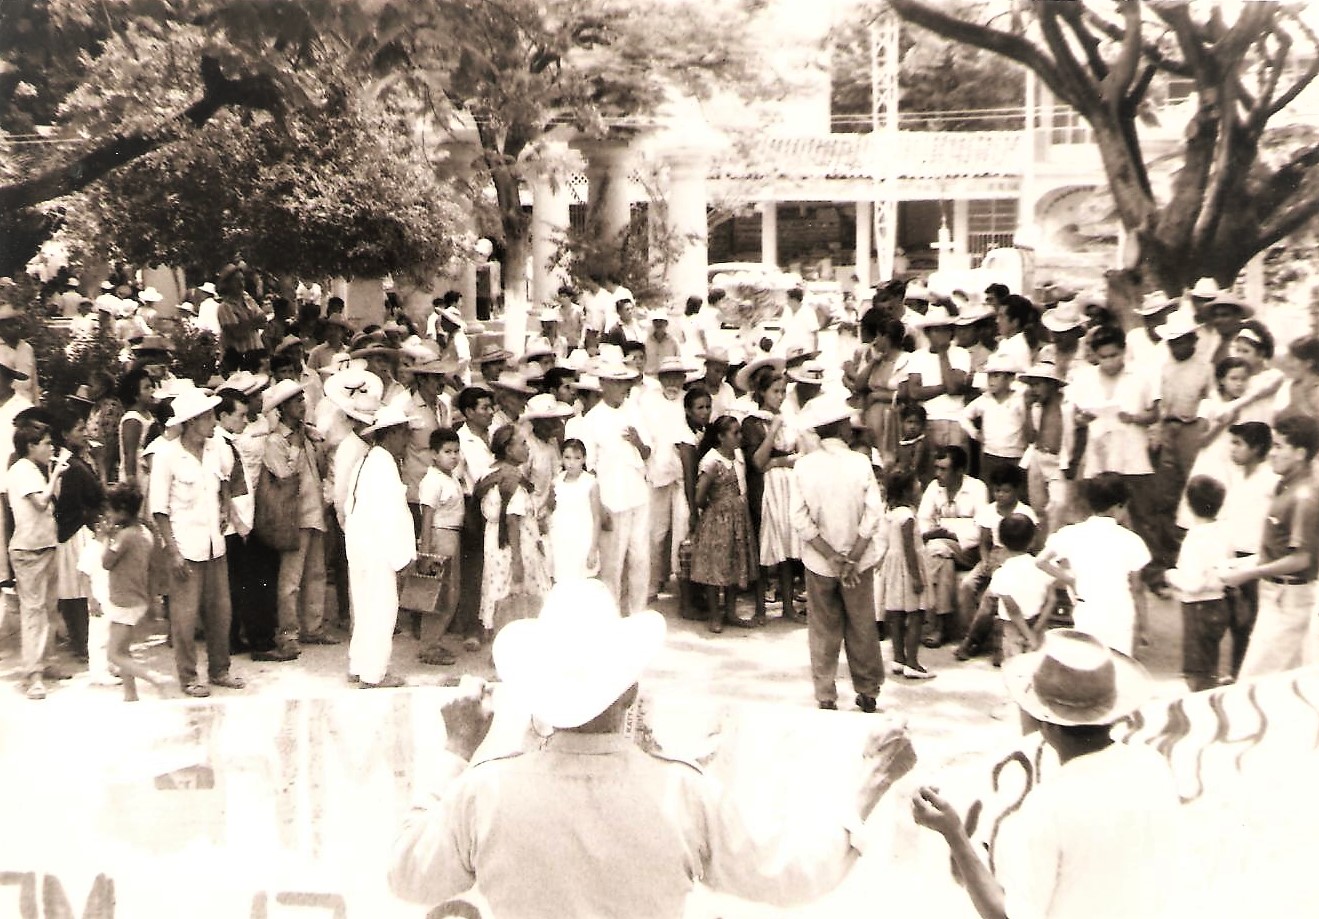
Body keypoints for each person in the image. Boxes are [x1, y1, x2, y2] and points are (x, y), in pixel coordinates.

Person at [390, 579, 916, 917]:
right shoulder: (681, 793)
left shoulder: (486, 793)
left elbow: (407, 876)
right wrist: (868, 784)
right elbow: (794, 875)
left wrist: (455, 751)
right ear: (631, 692)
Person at [912, 630, 1179, 919]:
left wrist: (954, 834)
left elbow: (1005, 916)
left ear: (1046, 724)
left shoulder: (1049, 805)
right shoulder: (1151, 766)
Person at [792, 397, 887, 712]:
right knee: (862, 623)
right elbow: (873, 513)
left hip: (821, 560)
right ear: (841, 427)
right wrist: (853, 556)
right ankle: (868, 690)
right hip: (858, 560)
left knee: (823, 627)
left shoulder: (804, 466)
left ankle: (825, 693)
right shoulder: (860, 463)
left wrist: (832, 556)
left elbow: (799, 519)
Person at [150, 388, 247, 698]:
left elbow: (224, 481)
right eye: (208, 417)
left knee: (220, 611)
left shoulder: (215, 449)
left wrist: (225, 507)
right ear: (192, 421)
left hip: (214, 544)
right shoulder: (167, 455)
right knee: (185, 617)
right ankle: (188, 676)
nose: (214, 423)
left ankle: (220, 669)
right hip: (185, 547)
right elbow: (159, 509)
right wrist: (173, 551)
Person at [1221, 414, 1319, 678]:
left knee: (1255, 680)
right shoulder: (1283, 486)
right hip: (1275, 595)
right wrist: (1244, 563)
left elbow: (1302, 559)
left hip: (1289, 599)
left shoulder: (1304, 497)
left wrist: (1248, 573)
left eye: (1279, 446)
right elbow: (1278, 547)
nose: (1272, 453)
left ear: (1300, 453)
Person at [1036, 473, 1151, 655]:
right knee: (1118, 663)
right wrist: (1144, 626)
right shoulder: (1132, 541)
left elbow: (1041, 561)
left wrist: (1070, 579)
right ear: (1118, 507)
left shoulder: (1071, 533)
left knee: (1088, 660)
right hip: (1120, 612)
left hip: (1087, 610)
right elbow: (1137, 589)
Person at [262, 379, 334, 659]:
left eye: (302, 399)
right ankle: (288, 633)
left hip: (315, 511)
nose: (302, 405)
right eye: (295, 401)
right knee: (291, 579)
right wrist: (295, 446)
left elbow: (322, 469)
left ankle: (313, 627)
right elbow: (283, 476)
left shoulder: (309, 435)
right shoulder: (275, 441)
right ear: (282, 408)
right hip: (293, 516)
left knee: (316, 573)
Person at [345, 402, 415, 688]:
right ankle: (374, 674)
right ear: (393, 433)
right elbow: (390, 516)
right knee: (381, 608)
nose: (408, 439)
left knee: (364, 607)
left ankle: (359, 665)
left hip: (362, 544)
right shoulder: (383, 465)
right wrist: (402, 557)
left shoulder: (367, 460)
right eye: (405, 432)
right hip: (378, 547)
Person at [577, 361, 653, 614]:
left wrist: (637, 441)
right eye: (616, 382)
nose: (622, 387)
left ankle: (638, 612)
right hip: (611, 498)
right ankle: (612, 615)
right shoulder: (592, 419)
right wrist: (599, 507)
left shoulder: (634, 410)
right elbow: (589, 469)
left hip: (637, 494)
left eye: (624, 382)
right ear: (603, 384)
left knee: (640, 557)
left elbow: (647, 452)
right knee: (612, 563)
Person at [9, 425, 70, 700]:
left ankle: (47, 663)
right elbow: (41, 503)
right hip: (28, 550)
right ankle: (33, 675)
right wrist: (55, 473)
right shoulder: (22, 470)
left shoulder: (36, 469)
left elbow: (53, 498)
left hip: (46, 545)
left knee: (49, 609)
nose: (50, 447)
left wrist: (54, 472)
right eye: (46, 443)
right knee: (34, 612)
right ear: (31, 446)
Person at [99, 483, 171, 701]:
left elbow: (106, 562)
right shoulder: (145, 533)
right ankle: (130, 695)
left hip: (124, 600)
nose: (108, 514)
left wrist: (106, 538)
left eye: (110, 509)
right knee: (123, 649)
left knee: (113, 654)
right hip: (137, 598)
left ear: (121, 510)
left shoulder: (125, 536)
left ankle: (153, 678)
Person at [478, 425, 551, 636]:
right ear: (509, 450)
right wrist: (517, 561)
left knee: (498, 587)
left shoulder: (490, 473)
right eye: (523, 444)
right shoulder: (512, 480)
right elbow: (512, 520)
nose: (528, 448)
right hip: (515, 545)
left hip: (495, 543)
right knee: (516, 591)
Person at [1165, 475, 1234, 692]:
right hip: (1219, 602)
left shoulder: (1195, 538)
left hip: (1198, 607)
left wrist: (1170, 575)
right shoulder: (1223, 532)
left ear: (1188, 504)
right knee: (1210, 660)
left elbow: (1193, 583)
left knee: (1197, 670)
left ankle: (1200, 701)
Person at [690, 415, 758, 632]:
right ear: (721, 437)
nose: (739, 436)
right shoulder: (712, 461)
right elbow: (699, 496)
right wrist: (717, 507)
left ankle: (730, 612)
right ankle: (714, 615)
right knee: (715, 567)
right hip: (718, 521)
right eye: (734, 433)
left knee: (734, 564)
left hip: (738, 518)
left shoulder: (737, 456)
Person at [916, 444, 989, 648]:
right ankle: (942, 624)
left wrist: (951, 534)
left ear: (959, 471)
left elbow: (981, 530)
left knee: (936, 548)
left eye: (943, 469)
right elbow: (923, 521)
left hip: (970, 550)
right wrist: (934, 534)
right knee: (941, 556)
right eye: (936, 468)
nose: (938, 474)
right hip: (942, 548)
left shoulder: (977, 488)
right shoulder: (934, 487)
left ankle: (933, 622)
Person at [52, 407, 104, 665]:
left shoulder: (73, 461)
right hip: (76, 530)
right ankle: (82, 643)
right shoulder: (70, 466)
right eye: (79, 429)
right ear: (65, 434)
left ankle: (81, 642)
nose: (85, 433)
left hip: (75, 529)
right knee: (79, 589)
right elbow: (84, 499)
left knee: (76, 589)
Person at [416, 427, 465, 666]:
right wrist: (426, 553)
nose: (453, 456)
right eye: (447, 451)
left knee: (450, 593)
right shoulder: (432, 480)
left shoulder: (451, 478)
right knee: (437, 593)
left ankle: (434, 641)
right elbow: (427, 517)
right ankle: (428, 646)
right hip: (439, 536)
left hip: (452, 536)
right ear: (434, 454)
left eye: (456, 451)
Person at [982, 514, 1056, 666]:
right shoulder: (1042, 567)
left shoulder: (1002, 573)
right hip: (1038, 624)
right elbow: (1052, 600)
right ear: (1033, 540)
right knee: (1036, 668)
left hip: (1013, 628)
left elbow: (1013, 610)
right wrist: (1035, 630)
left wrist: (1028, 635)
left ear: (1001, 540)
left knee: (1015, 668)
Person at [880, 469, 932, 680]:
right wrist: (915, 577)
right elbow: (908, 548)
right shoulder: (908, 516)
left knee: (896, 614)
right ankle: (912, 663)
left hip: (894, 567)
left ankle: (898, 659)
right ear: (906, 491)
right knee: (916, 614)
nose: (919, 486)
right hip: (907, 568)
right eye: (916, 484)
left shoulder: (891, 512)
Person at [901, 304, 971, 450]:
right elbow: (914, 392)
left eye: (945, 329)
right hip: (928, 419)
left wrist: (943, 353)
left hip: (956, 419)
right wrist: (945, 387)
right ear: (928, 333)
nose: (942, 334)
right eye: (937, 330)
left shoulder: (961, 353)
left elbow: (953, 388)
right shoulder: (917, 356)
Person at [960, 353, 1029, 484]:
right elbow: (964, 416)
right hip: (990, 455)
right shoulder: (984, 400)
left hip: (1014, 455)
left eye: (996, 376)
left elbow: (1028, 424)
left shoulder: (1019, 400)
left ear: (1010, 378)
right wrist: (975, 434)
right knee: (989, 487)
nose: (991, 381)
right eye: (989, 376)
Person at [549, 438, 602, 582]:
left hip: (583, 539)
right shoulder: (556, 481)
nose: (571, 463)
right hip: (561, 538)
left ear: (584, 459)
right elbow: (551, 509)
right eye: (567, 458)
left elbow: (597, 517)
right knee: (563, 580)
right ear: (562, 458)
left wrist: (593, 548)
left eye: (577, 458)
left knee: (583, 581)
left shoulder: (590, 482)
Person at [0, 302, 41, 402]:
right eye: (10, 325)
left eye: (17, 324)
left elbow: (34, 383)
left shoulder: (27, 348)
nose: (16, 328)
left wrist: (36, 405)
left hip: (26, 406)